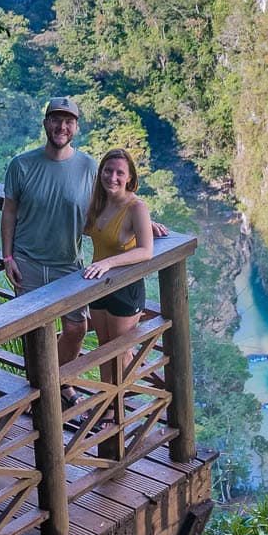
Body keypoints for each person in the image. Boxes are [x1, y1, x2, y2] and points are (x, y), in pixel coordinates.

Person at [1, 96, 94, 410]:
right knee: (33, 333)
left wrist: (145, 221)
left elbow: (113, 206)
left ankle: (54, 381)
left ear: (76, 127)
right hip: (26, 262)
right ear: (46, 124)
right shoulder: (22, 165)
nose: (62, 127)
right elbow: (9, 212)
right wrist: (7, 257)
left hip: (68, 264)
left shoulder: (88, 167)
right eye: (56, 119)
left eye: (68, 121)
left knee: (76, 328)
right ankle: (49, 389)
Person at [81, 148, 155, 428]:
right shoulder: (98, 203)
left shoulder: (136, 207)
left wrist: (110, 263)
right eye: (108, 170)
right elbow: (88, 229)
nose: (113, 177)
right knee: (104, 348)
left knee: (121, 351)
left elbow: (146, 251)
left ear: (130, 177)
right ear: (101, 173)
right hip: (99, 285)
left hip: (125, 288)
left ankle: (119, 407)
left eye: (119, 172)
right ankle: (106, 402)